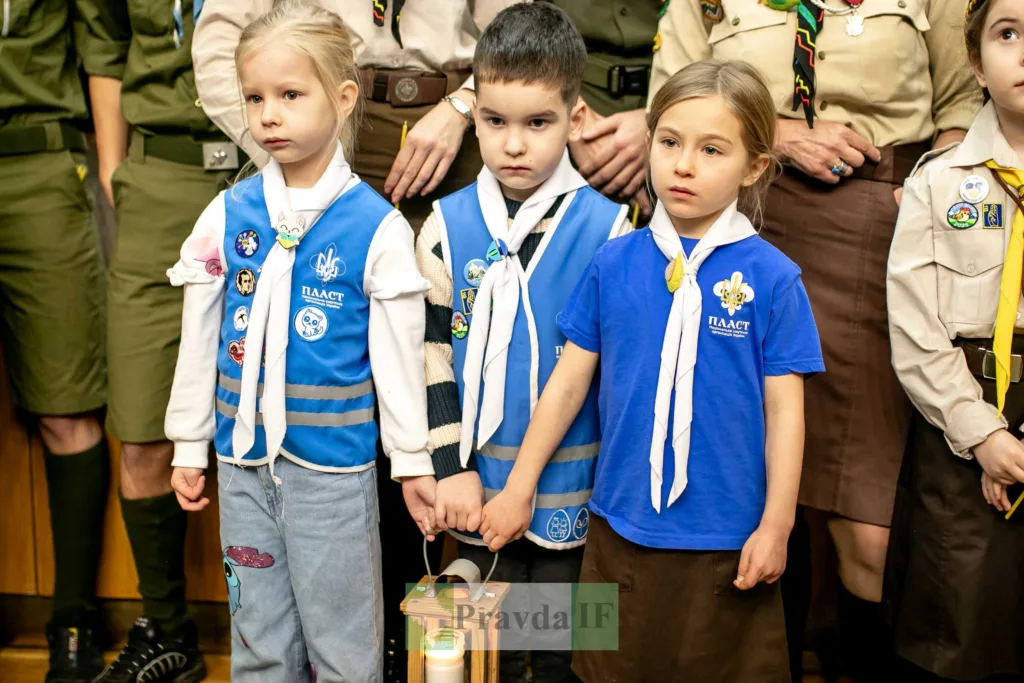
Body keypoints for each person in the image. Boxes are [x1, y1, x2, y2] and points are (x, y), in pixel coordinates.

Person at [649, 1, 983, 678]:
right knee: (744, 489)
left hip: (875, 230)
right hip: (735, 215)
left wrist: (923, 203)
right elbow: (673, 100)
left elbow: (962, 110)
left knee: (866, 523)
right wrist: (780, 133)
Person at [482, 59, 825, 683]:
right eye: (669, 142)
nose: (684, 164)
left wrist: (777, 525)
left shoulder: (775, 279)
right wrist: (518, 488)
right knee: (604, 669)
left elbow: (786, 413)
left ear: (754, 166)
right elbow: (567, 384)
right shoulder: (613, 262)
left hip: (729, 542)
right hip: (617, 531)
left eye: (712, 149)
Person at [166, 3, 431, 681]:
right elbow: (199, 339)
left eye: (290, 95)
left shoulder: (376, 227)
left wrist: (410, 461)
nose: (269, 116)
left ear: (343, 99)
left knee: (344, 646)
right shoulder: (228, 213)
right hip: (243, 468)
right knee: (258, 639)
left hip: (332, 475)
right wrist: (191, 443)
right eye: (255, 98)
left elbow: (399, 364)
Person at [403, 4, 631, 681]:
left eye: (538, 124)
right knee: (479, 658)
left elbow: (600, 379)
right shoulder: (442, 226)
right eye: (495, 122)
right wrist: (451, 470)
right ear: (473, 115)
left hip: (568, 497)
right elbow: (430, 356)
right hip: (472, 492)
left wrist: (533, 488)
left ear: (576, 118)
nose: (513, 145)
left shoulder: (612, 230)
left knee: (567, 653)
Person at [80, 0, 250, 679]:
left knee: (293, 418)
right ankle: (167, 631)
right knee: (143, 421)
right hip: (155, 177)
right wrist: (114, 171)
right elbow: (106, 49)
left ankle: (290, 638)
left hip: (260, 165)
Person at [884, 0, 1024, 679]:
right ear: (974, 61)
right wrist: (985, 434)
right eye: (1008, 34)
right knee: (959, 627)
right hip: (965, 417)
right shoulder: (938, 183)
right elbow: (915, 331)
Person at [192, 0, 520, 231]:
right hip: (325, 135)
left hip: (459, 135)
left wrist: (467, 101)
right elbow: (218, 47)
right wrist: (286, 153)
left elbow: (516, 28)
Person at [0, 2, 108, 680]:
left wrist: (109, 172)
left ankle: (73, 626)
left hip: (38, 158)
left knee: (65, 405)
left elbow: (102, 45)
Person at [545, 0, 660, 216]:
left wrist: (657, 121)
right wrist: (569, 110)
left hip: (677, 96)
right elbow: (519, 20)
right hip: (566, 96)